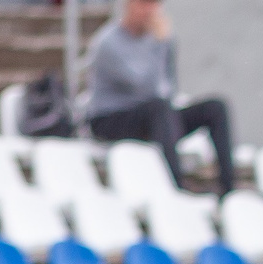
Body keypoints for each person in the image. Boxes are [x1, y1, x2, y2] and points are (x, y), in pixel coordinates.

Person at [84, 0, 236, 199]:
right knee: (159, 108)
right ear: (128, 5)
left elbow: (168, 88)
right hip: (110, 119)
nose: (151, 10)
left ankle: (229, 189)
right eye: (144, 4)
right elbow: (144, 86)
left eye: (155, 4)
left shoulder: (160, 39)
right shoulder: (108, 42)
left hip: (153, 115)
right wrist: (160, 42)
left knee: (215, 107)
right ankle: (176, 185)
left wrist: (164, 44)